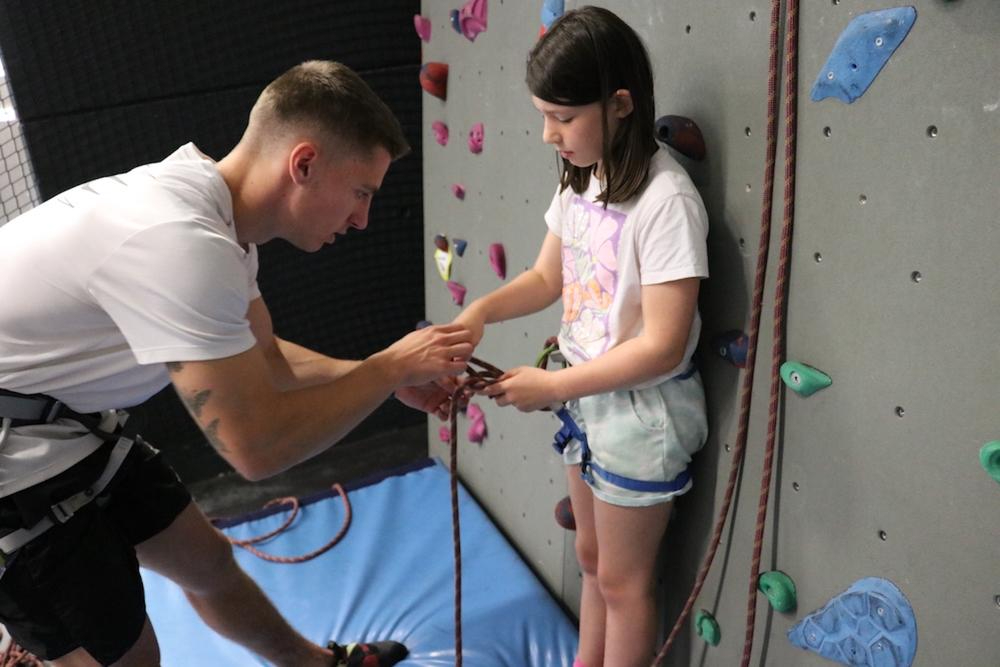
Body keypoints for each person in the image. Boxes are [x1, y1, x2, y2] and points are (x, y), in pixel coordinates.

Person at [0, 60, 473, 667]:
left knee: (208, 564)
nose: (362, 219)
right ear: (304, 164)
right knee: (130, 656)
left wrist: (382, 375)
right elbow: (257, 449)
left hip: (59, 421)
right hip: (15, 463)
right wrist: (386, 372)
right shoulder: (181, 242)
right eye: (362, 192)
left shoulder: (215, 215)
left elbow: (266, 359)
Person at [453, 8, 709, 667]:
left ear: (620, 104)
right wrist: (480, 311)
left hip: (638, 412)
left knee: (623, 582)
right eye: (545, 116)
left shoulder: (667, 202)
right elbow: (547, 277)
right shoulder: (583, 178)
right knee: (592, 558)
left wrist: (554, 385)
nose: (549, 134)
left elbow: (663, 344)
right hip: (586, 394)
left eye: (563, 118)